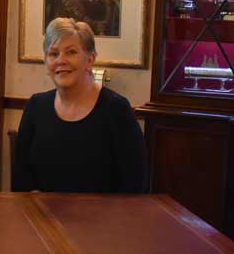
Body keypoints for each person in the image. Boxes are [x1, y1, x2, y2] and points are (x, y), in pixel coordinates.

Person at [12, 17, 146, 193]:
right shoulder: (35, 107)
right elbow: (21, 181)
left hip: (103, 218)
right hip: (43, 217)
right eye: (53, 54)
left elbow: (135, 185)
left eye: (71, 52)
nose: (61, 60)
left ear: (90, 59)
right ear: (46, 63)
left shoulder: (117, 110)